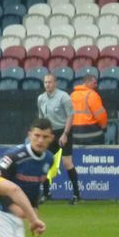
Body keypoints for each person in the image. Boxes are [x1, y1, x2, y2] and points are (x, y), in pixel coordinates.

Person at [37, 73, 82, 204]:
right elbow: (42, 118)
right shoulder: (41, 98)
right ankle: (46, 193)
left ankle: (76, 195)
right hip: (49, 132)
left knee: (67, 162)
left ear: (55, 83)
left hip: (63, 130)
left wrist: (65, 134)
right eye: (45, 82)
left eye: (50, 82)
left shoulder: (63, 97)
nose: (47, 85)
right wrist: (41, 134)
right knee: (45, 162)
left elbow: (70, 116)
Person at [70, 73, 107, 147]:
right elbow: (100, 115)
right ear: (87, 82)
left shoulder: (72, 95)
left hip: (76, 134)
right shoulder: (92, 95)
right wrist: (104, 127)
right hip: (92, 134)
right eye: (94, 83)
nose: (96, 85)